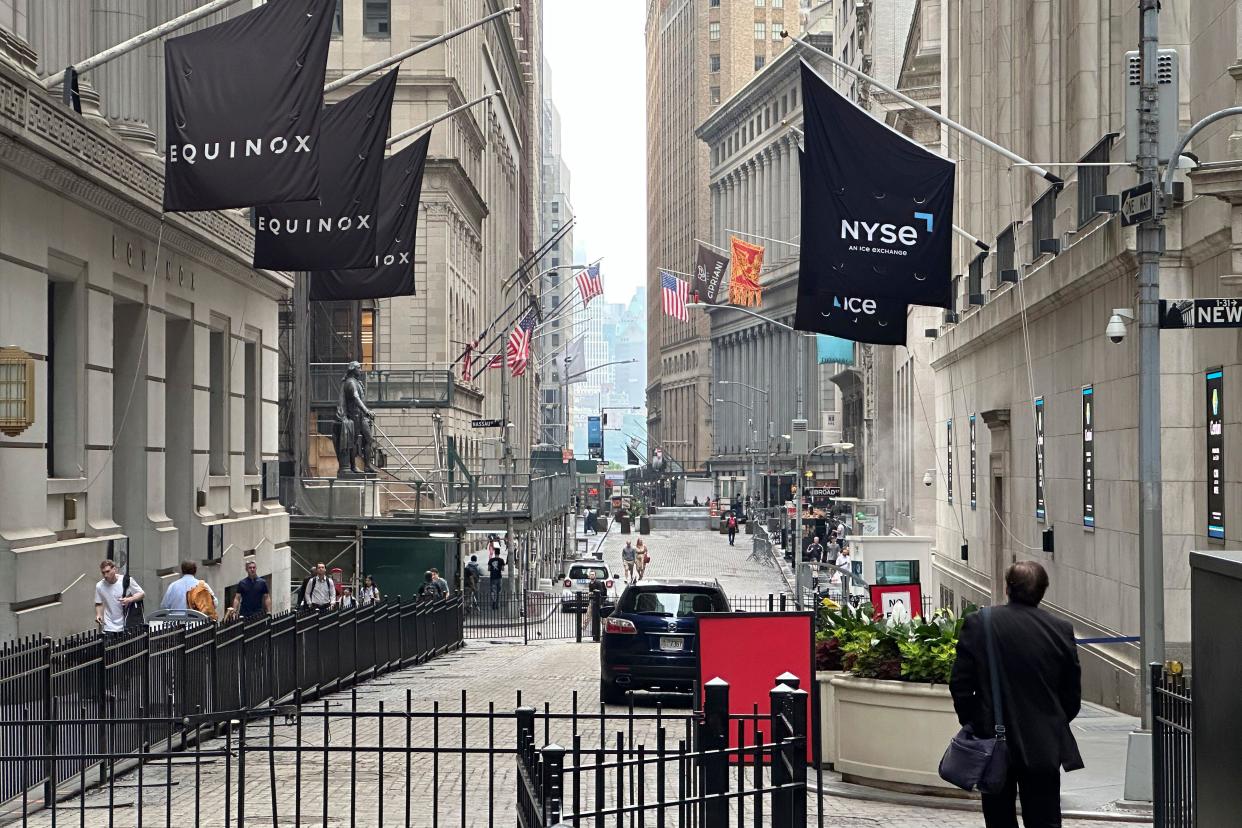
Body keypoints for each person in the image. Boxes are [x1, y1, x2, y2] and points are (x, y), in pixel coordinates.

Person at [949, 561, 1083, 828]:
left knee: (998, 819)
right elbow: (1071, 694)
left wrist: (976, 721)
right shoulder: (1060, 630)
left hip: (994, 741)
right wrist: (1053, 722)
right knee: (1045, 819)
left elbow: (961, 685)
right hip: (1044, 744)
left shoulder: (980, 623)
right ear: (1043, 591)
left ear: (1008, 588)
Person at [95, 559, 144, 634]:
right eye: (103, 573)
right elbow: (98, 603)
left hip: (126, 624)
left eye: (108, 571)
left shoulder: (126, 581)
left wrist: (129, 599)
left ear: (114, 569)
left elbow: (141, 594)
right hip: (109, 626)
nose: (105, 575)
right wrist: (99, 614)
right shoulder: (99, 586)